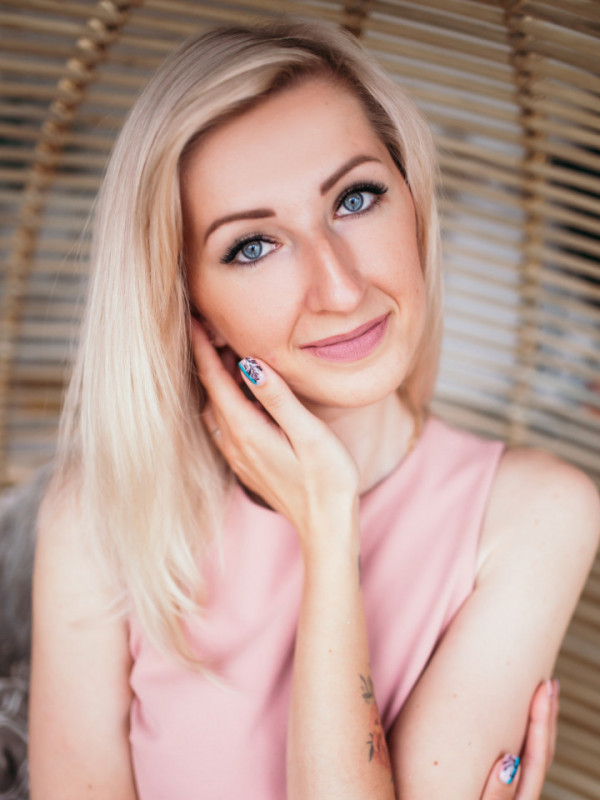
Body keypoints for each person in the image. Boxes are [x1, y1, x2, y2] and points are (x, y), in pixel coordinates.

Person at [28, 18, 598, 800]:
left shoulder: (535, 513)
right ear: (189, 302)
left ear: (414, 200)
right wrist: (325, 515)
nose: (340, 287)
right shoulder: (100, 517)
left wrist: (330, 539)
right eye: (253, 246)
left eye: (356, 199)